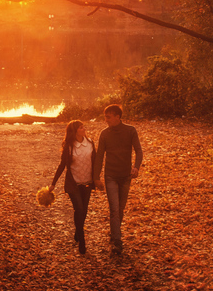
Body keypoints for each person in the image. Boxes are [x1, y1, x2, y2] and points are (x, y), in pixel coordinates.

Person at [93, 104, 143, 255]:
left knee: (120, 209)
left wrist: (136, 167)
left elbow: (139, 150)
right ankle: (117, 241)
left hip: (126, 176)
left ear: (117, 117)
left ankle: (114, 233)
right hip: (111, 176)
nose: (106, 120)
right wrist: (96, 177)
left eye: (108, 117)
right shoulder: (105, 134)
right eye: (105, 117)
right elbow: (99, 156)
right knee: (114, 209)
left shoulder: (130, 131)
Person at [49, 119, 97, 255]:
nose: (84, 129)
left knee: (84, 211)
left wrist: (98, 179)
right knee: (79, 209)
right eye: (81, 127)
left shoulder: (90, 143)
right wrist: (53, 183)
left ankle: (78, 230)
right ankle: (82, 242)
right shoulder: (69, 146)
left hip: (87, 182)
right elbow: (62, 165)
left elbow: (97, 161)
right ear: (75, 131)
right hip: (74, 184)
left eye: (83, 127)